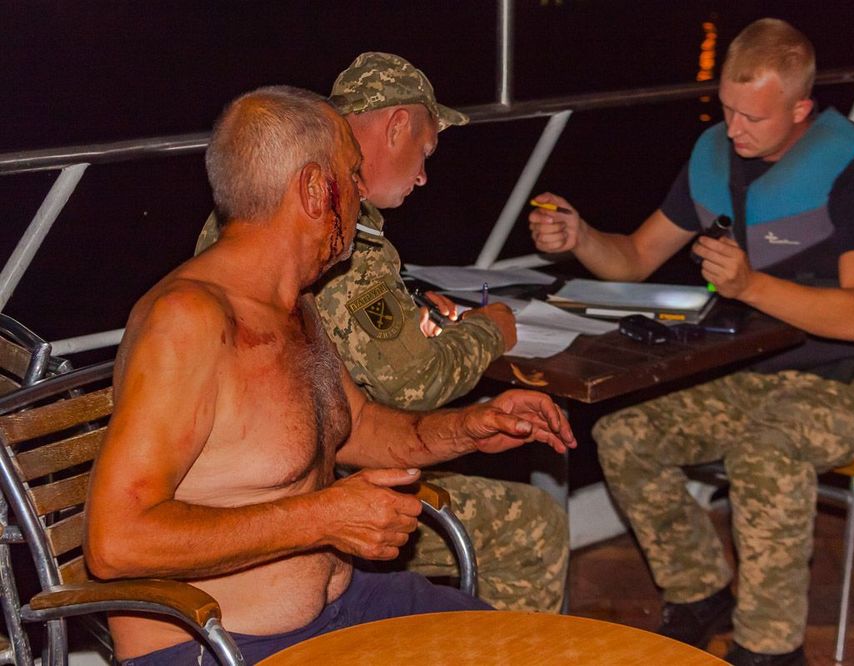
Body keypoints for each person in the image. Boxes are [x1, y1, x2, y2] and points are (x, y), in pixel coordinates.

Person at [86, 85, 576, 666]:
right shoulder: (188, 320)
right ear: (316, 190)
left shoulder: (294, 305)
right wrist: (323, 518)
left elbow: (359, 426)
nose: (362, 192)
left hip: (344, 605)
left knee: (532, 651)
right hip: (222, 646)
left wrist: (470, 427)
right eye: (352, 174)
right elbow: (116, 541)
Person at [528, 18, 854, 666]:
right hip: (736, 374)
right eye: (727, 110)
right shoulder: (715, 155)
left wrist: (751, 284)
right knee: (623, 434)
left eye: (753, 117)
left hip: (837, 388)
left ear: (801, 109)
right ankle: (700, 592)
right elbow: (635, 258)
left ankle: (769, 648)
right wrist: (581, 236)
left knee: (765, 456)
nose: (734, 130)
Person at [195, 53, 568, 613]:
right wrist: (491, 331)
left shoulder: (252, 215)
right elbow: (414, 384)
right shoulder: (339, 236)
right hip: (297, 507)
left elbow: (350, 387)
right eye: (423, 152)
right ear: (396, 126)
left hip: (289, 464)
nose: (422, 176)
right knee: (536, 524)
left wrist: (413, 314)